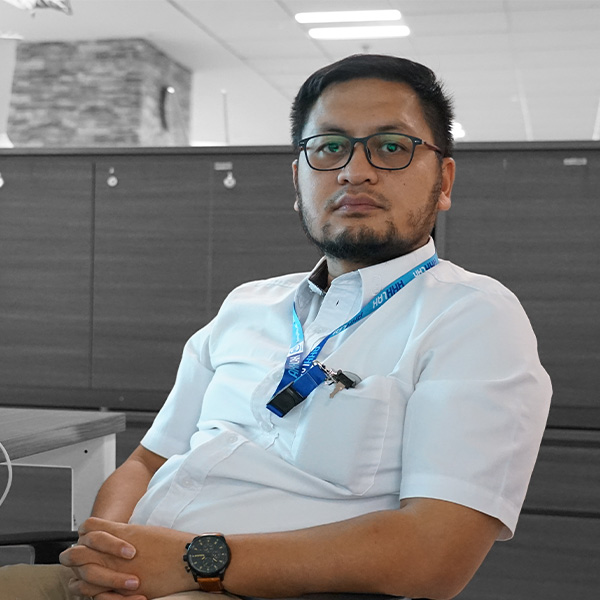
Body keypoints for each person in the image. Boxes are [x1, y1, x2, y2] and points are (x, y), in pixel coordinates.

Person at [0, 54, 551, 600]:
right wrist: (109, 558)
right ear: (298, 179)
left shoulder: (472, 317)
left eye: (391, 147)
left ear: (443, 181)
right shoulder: (248, 305)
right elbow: (148, 461)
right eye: (329, 147)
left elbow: (435, 553)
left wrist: (195, 562)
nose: (354, 171)